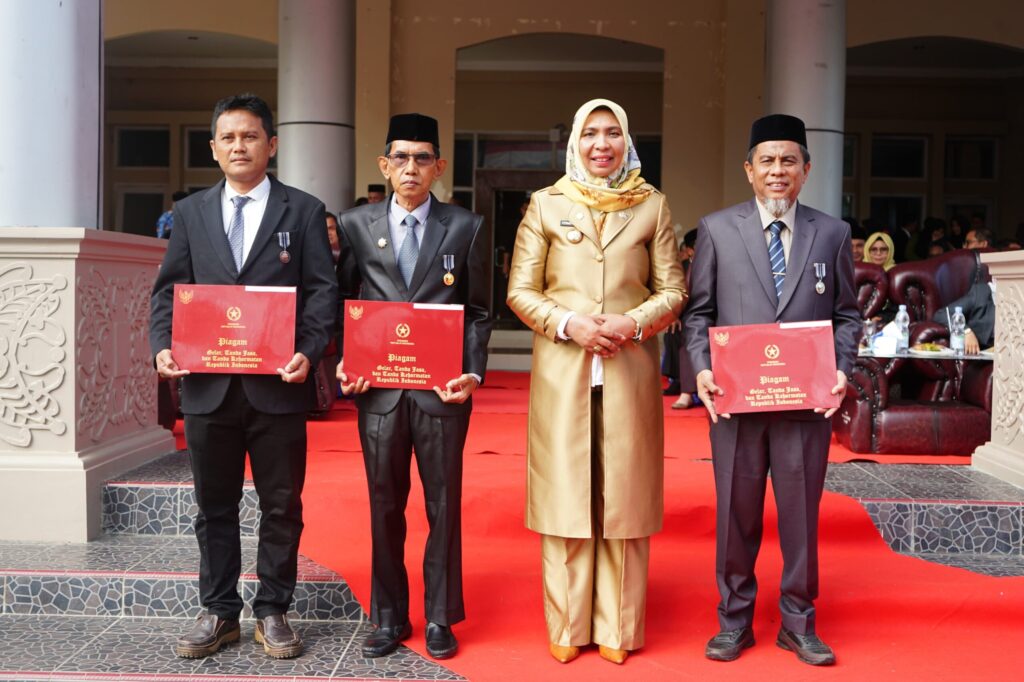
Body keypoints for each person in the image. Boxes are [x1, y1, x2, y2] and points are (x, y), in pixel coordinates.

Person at [149, 93, 337, 660]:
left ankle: (274, 609)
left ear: (271, 145)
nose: (239, 146)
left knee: (282, 503)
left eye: (250, 136)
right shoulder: (189, 213)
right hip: (208, 387)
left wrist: (309, 349)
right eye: (228, 137)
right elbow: (168, 293)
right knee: (214, 505)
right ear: (213, 148)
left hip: (278, 385)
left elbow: (323, 294)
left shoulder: (302, 211)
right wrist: (163, 346)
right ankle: (219, 611)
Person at [506, 98, 686, 666]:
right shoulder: (545, 204)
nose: (601, 144)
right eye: (590, 134)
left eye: (611, 134)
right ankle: (566, 624)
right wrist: (569, 323)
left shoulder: (652, 206)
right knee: (565, 499)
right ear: (575, 142)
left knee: (625, 503)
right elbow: (519, 290)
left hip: (629, 372)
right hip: (564, 372)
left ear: (626, 141)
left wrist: (634, 322)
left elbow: (674, 290)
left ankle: (619, 627)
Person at [683, 113, 859, 667]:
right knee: (736, 514)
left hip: (805, 404)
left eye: (789, 161)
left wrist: (842, 368)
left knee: (801, 515)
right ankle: (734, 621)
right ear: (749, 170)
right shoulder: (716, 229)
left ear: (806, 170)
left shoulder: (832, 233)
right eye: (767, 161)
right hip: (737, 403)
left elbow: (848, 315)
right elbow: (698, 313)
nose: (777, 171)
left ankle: (798, 622)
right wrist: (702, 368)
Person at [335, 113, 492, 661]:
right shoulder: (355, 225)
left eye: (422, 158)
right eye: (400, 158)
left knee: (443, 504)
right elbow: (342, 302)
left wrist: (471, 372)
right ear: (384, 164)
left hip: (441, 390)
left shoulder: (465, 226)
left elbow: (477, 310)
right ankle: (388, 615)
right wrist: (344, 362)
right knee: (384, 503)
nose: (410, 168)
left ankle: (441, 617)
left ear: (438, 166)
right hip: (378, 390)